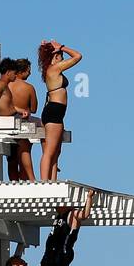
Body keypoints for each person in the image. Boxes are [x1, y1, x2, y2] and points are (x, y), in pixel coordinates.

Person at [37, 39, 82, 180]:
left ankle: (52, 181)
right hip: (54, 111)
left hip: (55, 111)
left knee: (56, 152)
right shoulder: (54, 68)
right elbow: (77, 56)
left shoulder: (51, 70)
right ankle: (44, 182)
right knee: (50, 151)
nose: (63, 58)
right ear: (55, 56)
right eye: (61, 55)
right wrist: (61, 47)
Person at [6, 59, 39, 180]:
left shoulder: (6, 85)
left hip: (7, 123)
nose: (30, 74)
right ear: (21, 71)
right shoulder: (29, 87)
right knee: (24, 152)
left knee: (11, 158)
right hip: (23, 122)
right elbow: (34, 108)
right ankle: (30, 180)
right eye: (28, 71)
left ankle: (14, 183)